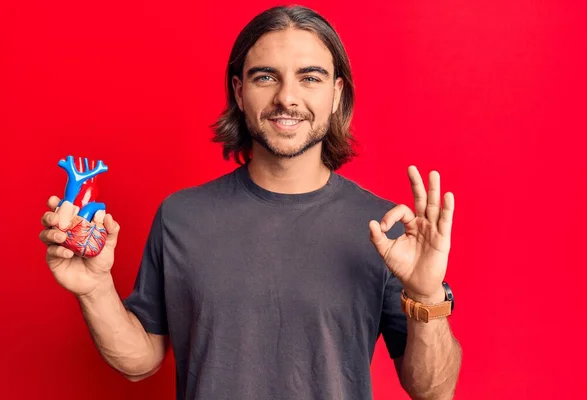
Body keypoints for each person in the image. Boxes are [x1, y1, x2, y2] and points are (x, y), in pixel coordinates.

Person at [39, 5, 462, 400]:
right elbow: (139, 361)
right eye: (266, 77)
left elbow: (433, 390)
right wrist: (95, 290)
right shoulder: (181, 216)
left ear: (336, 95)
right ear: (239, 93)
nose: (287, 98)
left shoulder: (383, 227)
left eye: (310, 77)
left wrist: (426, 295)